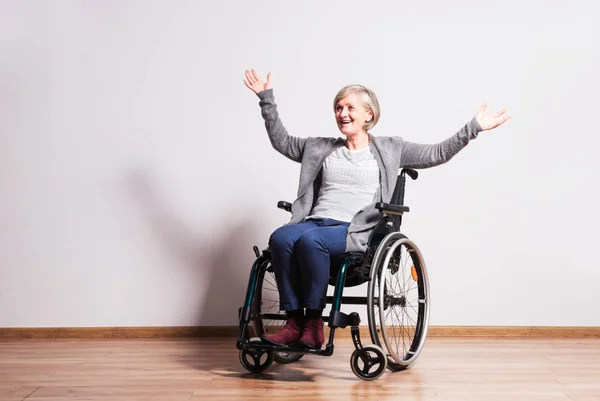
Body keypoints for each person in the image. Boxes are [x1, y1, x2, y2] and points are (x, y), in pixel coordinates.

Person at [243, 69, 510, 349]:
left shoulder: (391, 149)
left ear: (369, 114)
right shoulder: (319, 147)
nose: (342, 113)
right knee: (281, 238)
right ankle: (294, 323)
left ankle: (313, 325)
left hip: (353, 228)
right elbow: (281, 141)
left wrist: (474, 128)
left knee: (311, 241)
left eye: (349, 107)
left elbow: (437, 153)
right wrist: (266, 99)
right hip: (315, 220)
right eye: (338, 108)